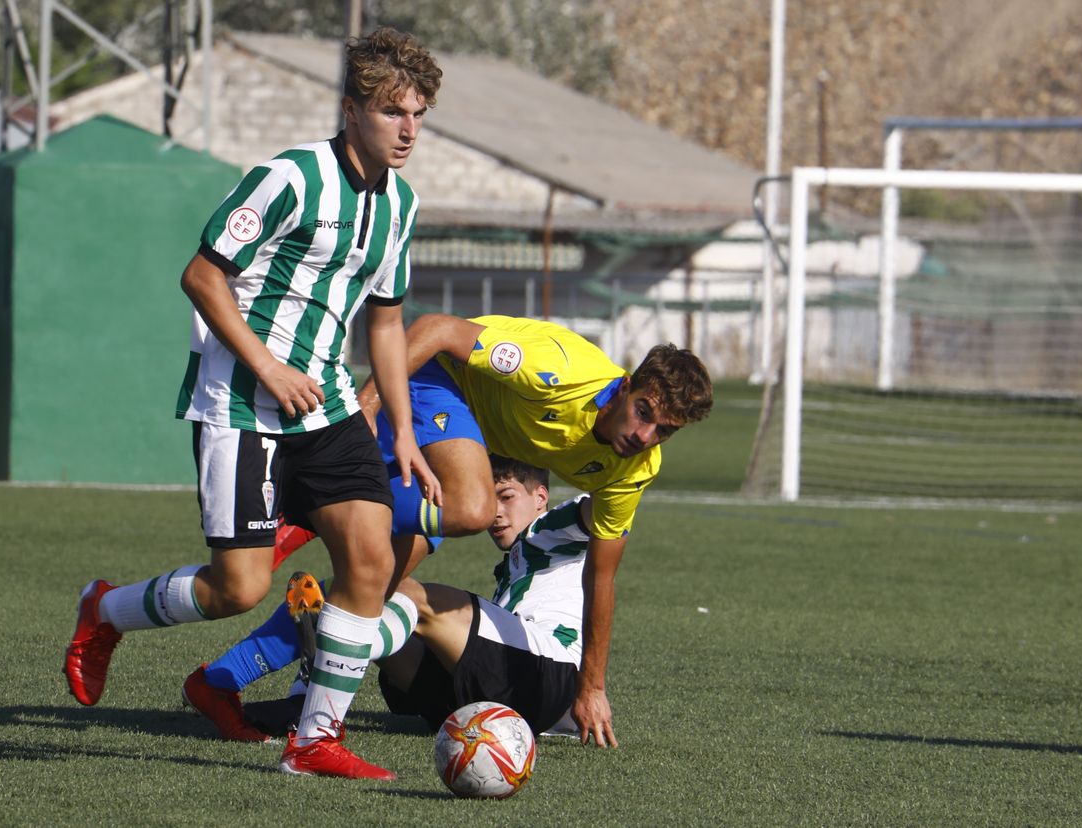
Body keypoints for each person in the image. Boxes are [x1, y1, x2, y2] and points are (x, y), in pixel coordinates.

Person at [62, 27, 444, 781]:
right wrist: (268, 367)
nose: (407, 130)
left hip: (328, 404)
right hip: (242, 401)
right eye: (392, 112)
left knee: (370, 560)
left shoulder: (400, 205)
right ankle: (104, 610)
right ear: (351, 110)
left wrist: (402, 428)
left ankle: (314, 741)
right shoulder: (291, 177)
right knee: (239, 588)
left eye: (420, 114)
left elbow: (389, 322)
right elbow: (202, 275)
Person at [278, 313, 713, 748]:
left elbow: (601, 575)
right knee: (397, 574)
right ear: (624, 389)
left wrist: (593, 687)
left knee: (391, 591)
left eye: (665, 431)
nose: (645, 435)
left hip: (538, 673)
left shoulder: (604, 489)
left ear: (542, 496)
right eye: (644, 412)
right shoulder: (557, 370)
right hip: (439, 381)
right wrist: (367, 406)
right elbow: (440, 328)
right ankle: (290, 671)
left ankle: (313, 660)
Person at [186, 456, 592, 741]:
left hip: (550, 676)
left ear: (541, 497)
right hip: (489, 702)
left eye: (506, 497)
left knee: (402, 595)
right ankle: (302, 702)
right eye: (492, 500)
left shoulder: (549, 530)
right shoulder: (516, 566)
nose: (495, 513)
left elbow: (599, 513)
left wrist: (613, 472)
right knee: (362, 601)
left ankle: (241, 675)